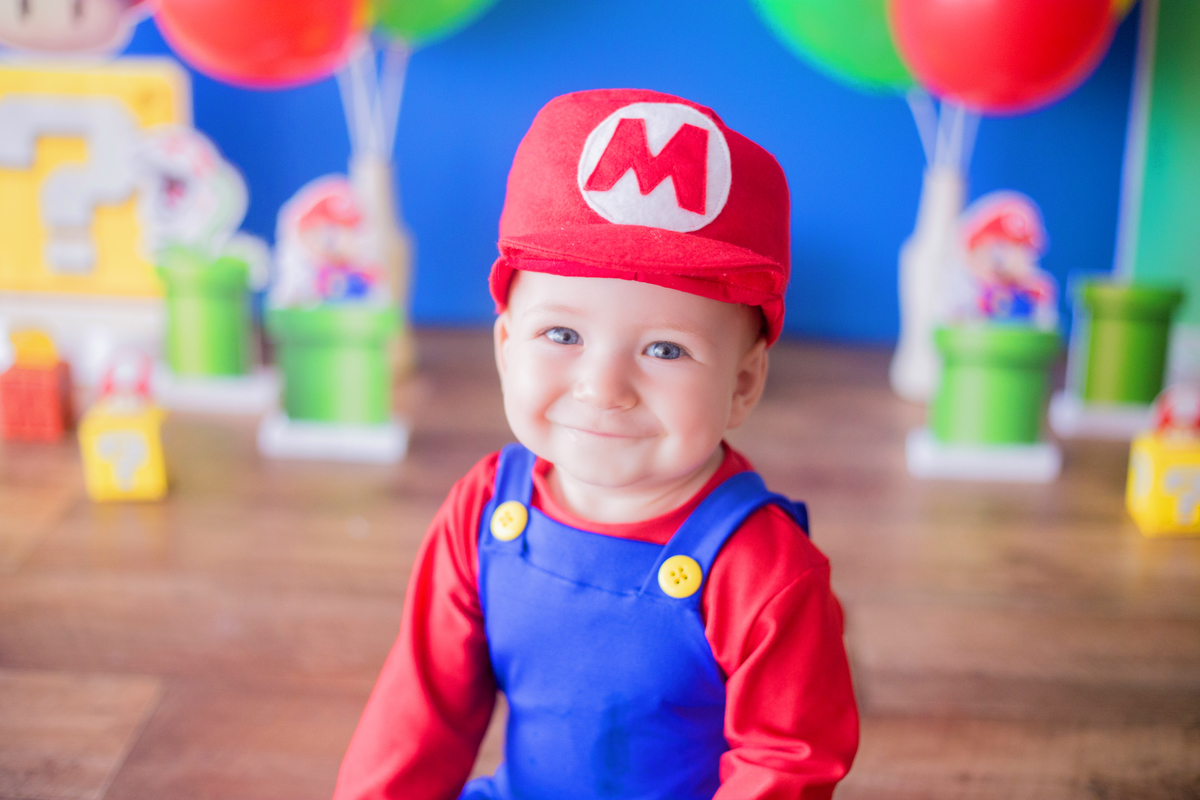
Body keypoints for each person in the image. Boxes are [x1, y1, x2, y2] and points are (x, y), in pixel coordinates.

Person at [332, 88, 859, 800]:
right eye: (563, 334)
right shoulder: (484, 511)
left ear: (742, 383)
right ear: (506, 347)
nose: (603, 388)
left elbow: (784, 764)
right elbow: (419, 714)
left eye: (666, 349)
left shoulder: (763, 570)